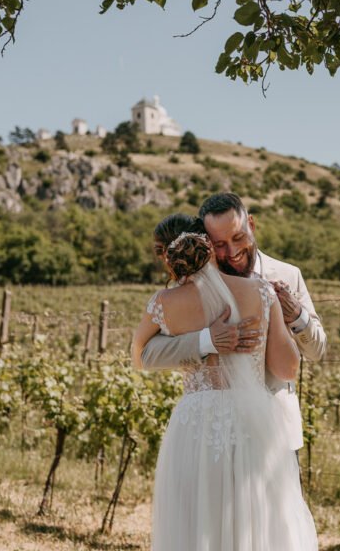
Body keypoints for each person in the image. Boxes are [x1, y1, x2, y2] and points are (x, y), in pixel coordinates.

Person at [131, 214, 320, 551]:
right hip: (252, 421)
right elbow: (287, 369)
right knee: (259, 524)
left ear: (166, 256)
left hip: (196, 425)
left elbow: (139, 355)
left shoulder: (163, 303)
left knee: (198, 526)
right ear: (206, 244)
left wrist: (200, 341)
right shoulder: (261, 292)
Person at [138, 193, 327, 450]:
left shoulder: (289, 274)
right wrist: (206, 340)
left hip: (278, 429)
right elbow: (147, 353)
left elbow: (317, 351)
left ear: (251, 224)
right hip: (215, 432)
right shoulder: (197, 287)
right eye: (220, 244)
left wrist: (295, 315)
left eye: (238, 237)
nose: (233, 251)